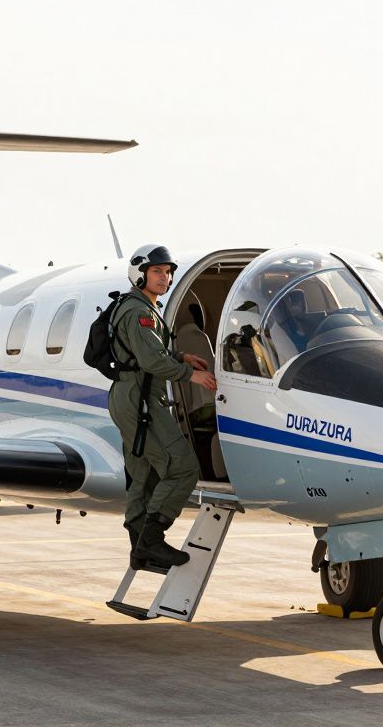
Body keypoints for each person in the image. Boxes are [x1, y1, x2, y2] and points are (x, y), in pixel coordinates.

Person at [110, 244, 218, 570]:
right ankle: (152, 541)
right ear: (140, 274)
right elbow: (150, 360)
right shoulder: (139, 311)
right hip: (140, 399)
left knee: (142, 476)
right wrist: (191, 375)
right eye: (157, 271)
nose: (165, 277)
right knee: (182, 468)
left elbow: (147, 353)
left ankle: (139, 550)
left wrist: (181, 357)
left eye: (168, 271)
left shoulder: (143, 307)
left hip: (133, 396)